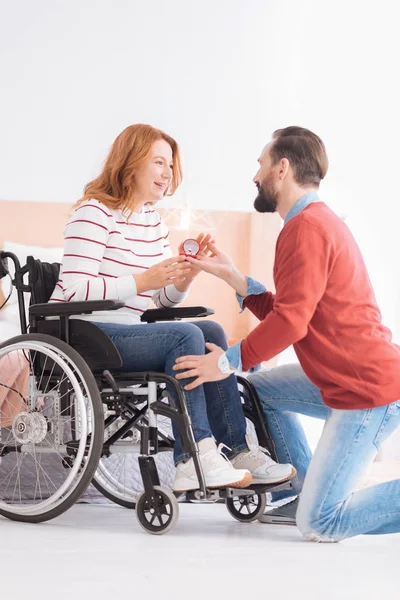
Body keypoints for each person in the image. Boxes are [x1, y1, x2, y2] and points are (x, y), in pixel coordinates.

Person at [174, 125, 400, 541]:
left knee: (319, 523)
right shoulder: (311, 222)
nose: (255, 175)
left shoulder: (307, 227)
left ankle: (312, 505)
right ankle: (303, 488)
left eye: (260, 164)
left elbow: (291, 323)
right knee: (258, 391)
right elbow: (295, 310)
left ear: (283, 167)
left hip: (367, 390)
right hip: (339, 377)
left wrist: (224, 363)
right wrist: (236, 279)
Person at [49, 123, 295, 493]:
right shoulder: (92, 213)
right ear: (131, 163)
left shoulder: (152, 223)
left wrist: (184, 277)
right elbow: (74, 289)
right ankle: (192, 457)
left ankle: (239, 450)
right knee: (185, 335)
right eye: (159, 163)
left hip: (128, 330)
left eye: (171, 165)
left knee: (210, 332)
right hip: (82, 331)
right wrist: (143, 280)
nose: (168, 174)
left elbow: (158, 304)